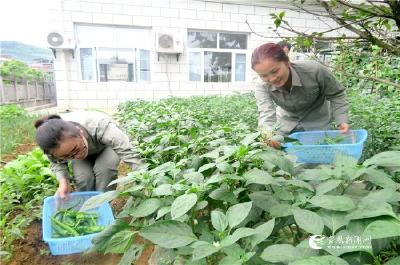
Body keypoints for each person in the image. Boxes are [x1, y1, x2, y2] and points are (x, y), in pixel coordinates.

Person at [251, 43, 350, 148]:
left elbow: (336, 94)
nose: (272, 79)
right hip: (286, 124)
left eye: (275, 71)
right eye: (263, 75)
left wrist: (341, 119)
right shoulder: (262, 85)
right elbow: (266, 112)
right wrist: (268, 135)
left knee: (319, 158)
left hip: (318, 123)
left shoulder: (315, 71)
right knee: (285, 158)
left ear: (287, 62)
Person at [34, 111, 142, 199]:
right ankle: (87, 207)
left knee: (105, 169)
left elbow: (129, 153)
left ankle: (103, 205)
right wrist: (63, 181)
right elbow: (56, 163)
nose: (77, 157)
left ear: (80, 132)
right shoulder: (50, 144)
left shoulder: (99, 126)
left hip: (106, 147)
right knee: (83, 178)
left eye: (75, 149)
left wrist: (146, 178)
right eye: (66, 156)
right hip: (83, 147)